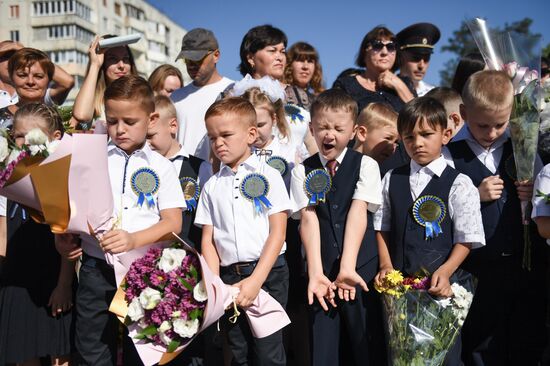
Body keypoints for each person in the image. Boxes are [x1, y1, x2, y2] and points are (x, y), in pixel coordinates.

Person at [59, 75, 185, 365]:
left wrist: (133, 239)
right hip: (95, 268)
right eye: (112, 121)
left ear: (151, 119)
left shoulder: (162, 168)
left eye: (130, 121)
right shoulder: (92, 157)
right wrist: (63, 234)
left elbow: (173, 223)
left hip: (143, 271)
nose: (120, 129)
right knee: (91, 345)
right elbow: (71, 207)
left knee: (140, 348)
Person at [443, 70, 548, 365]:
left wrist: (534, 193)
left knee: (526, 336)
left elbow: (545, 196)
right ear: (463, 114)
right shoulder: (451, 154)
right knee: (480, 342)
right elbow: (440, 204)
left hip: (525, 264)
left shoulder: (523, 147)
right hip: (477, 268)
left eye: (499, 124)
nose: (491, 133)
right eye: (482, 125)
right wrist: (473, 195)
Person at [373, 96, 485, 365]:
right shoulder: (392, 178)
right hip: (400, 294)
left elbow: (467, 237)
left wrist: (445, 272)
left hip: (442, 294)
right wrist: (386, 264)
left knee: (443, 356)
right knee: (402, 356)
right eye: (409, 137)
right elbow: (381, 226)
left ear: (446, 135)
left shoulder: (459, 183)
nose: (418, 143)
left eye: (426, 134)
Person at [290, 89, 384, 366]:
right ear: (311, 128)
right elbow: (308, 218)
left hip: (358, 271)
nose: (329, 135)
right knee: (324, 350)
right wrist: (316, 273)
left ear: (354, 131)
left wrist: (347, 267)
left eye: (338, 128)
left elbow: (358, 211)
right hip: (321, 274)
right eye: (322, 127)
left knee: (364, 346)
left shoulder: (366, 165)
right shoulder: (301, 171)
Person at [195, 97, 290, 365]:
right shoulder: (212, 186)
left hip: (268, 275)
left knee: (268, 352)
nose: (218, 143)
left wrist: (256, 280)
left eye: (226, 134)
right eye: (213, 137)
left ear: (250, 134)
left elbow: (278, 232)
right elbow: (208, 241)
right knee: (238, 351)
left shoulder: (269, 175)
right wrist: (215, 285)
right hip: (229, 279)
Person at [0, 103, 75, 366]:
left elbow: (69, 239)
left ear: (55, 138)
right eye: (18, 135)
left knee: (59, 354)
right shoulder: (9, 175)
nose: (24, 142)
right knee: (23, 354)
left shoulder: (62, 176)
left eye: (32, 135)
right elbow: (4, 234)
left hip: (54, 278)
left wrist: (64, 285)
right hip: (18, 279)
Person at [238, 24, 318, 158]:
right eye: (272, 50)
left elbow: (313, 145)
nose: (280, 57)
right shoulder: (233, 95)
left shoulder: (301, 96)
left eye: (282, 51)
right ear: (251, 58)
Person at [147, 95, 212, 248]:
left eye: (150, 136)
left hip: (189, 261)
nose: (146, 143)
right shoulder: (141, 166)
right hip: (145, 258)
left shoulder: (200, 169)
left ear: (173, 126)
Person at [171, 28, 233, 160]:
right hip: (182, 177)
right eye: (187, 60)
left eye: (197, 59)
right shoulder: (175, 97)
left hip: (222, 176)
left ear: (216, 56)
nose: (192, 65)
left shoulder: (234, 91)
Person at [333, 26, 415, 112]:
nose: (385, 52)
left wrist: (399, 85)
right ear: (365, 52)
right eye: (378, 46)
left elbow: (419, 117)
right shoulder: (346, 85)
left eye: (390, 47)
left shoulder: (405, 83)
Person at [70, 34, 138, 129]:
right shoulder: (93, 100)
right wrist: (95, 65)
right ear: (103, 64)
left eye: (126, 59)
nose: (121, 65)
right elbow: (81, 115)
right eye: (112, 59)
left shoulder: (140, 96)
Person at [1, 47, 68, 128]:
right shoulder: (1, 116)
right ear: (12, 78)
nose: (30, 82)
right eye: (22, 75)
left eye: (38, 76)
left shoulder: (62, 120)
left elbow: (68, 82)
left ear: (49, 79)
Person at [0, 40, 74, 107]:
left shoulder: (35, 91)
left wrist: (25, 51)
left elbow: (67, 82)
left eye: (17, 56)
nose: (11, 60)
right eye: (6, 56)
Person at [395, 23, 441, 96]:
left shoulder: (433, 95)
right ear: (401, 56)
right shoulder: (387, 90)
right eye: (416, 58)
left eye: (426, 59)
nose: (421, 66)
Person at [283, 42, 325, 110]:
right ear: (289, 64)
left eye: (310, 61)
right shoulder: (278, 95)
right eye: (300, 60)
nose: (305, 67)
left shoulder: (319, 101)